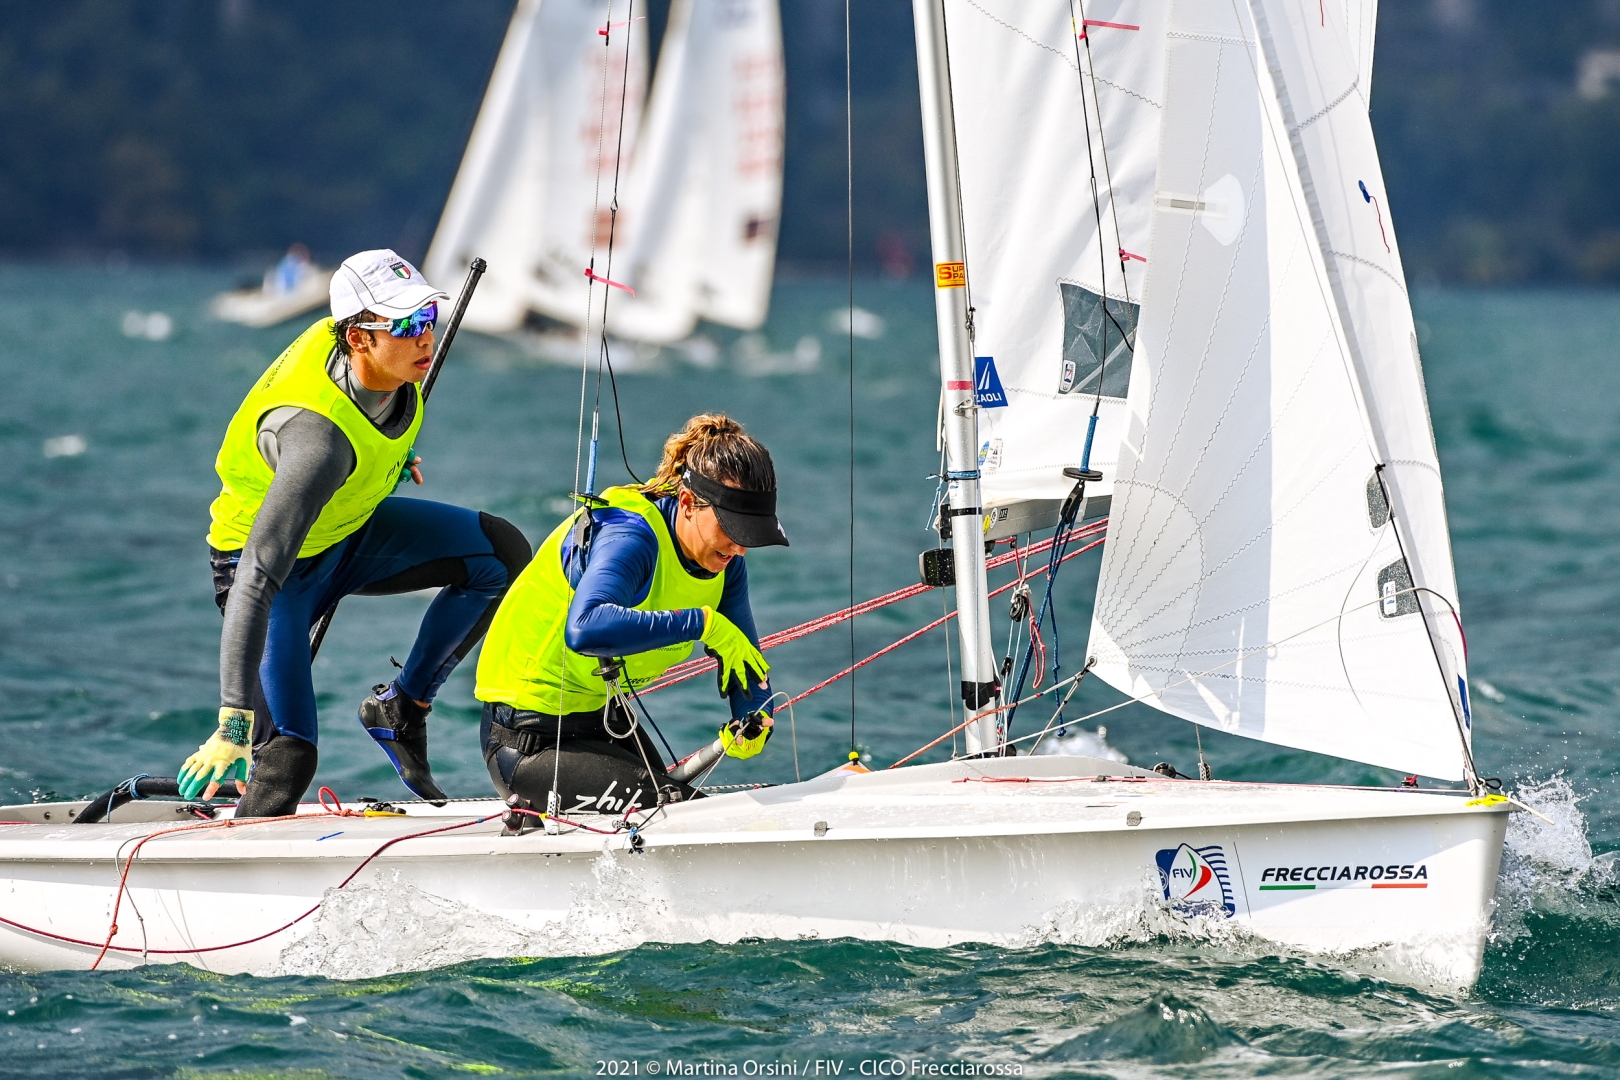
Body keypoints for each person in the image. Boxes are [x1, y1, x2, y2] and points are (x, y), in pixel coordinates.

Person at [177, 249, 532, 814]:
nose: (426, 336)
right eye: (407, 326)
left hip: (347, 534)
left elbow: (368, 424)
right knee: (288, 758)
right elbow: (255, 579)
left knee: (500, 554)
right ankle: (237, 848)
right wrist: (233, 724)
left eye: (428, 317)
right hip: (272, 576)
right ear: (359, 338)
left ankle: (403, 709)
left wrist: (388, 456)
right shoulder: (318, 444)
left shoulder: (377, 358)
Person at [474, 414, 786, 820]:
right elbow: (585, 628)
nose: (740, 547)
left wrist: (754, 716)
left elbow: (745, 662)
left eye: (750, 533)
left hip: (601, 722)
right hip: (528, 740)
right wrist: (702, 623)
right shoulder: (630, 537)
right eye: (732, 528)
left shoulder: (726, 564)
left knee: (680, 808)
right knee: (683, 815)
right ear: (687, 503)